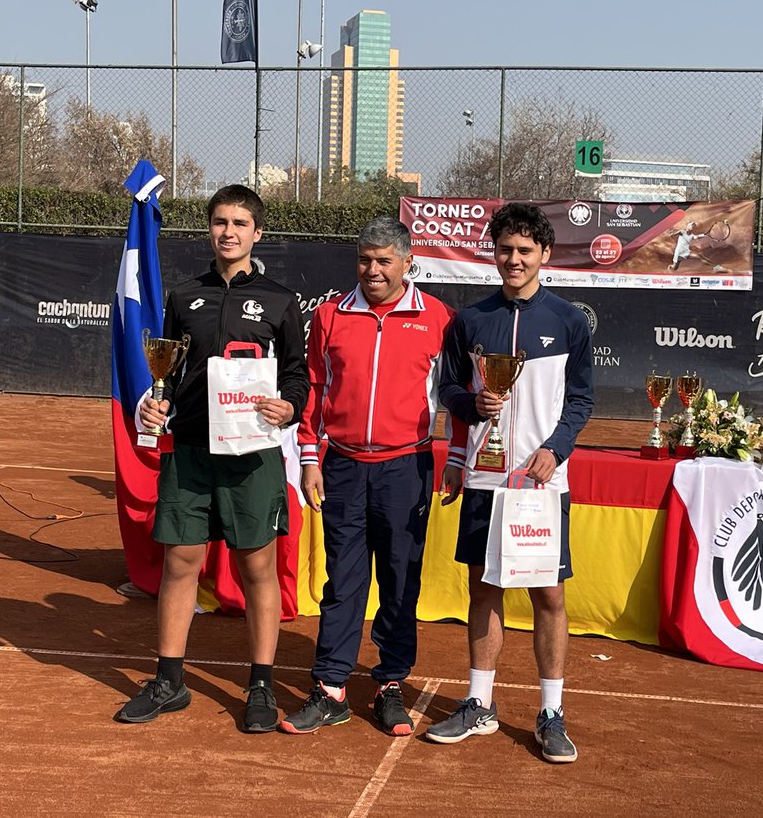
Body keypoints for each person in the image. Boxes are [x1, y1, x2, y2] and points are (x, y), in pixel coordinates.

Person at [116, 184, 309, 733]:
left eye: (239, 223)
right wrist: (156, 405)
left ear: (257, 233)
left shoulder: (280, 300)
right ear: (210, 228)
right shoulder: (184, 297)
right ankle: (169, 681)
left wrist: (288, 405)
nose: (229, 231)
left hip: (252, 455)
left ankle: (262, 685)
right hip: (193, 452)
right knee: (180, 562)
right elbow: (169, 374)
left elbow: (298, 375)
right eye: (220, 221)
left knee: (256, 567)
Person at [430, 202, 594, 764]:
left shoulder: (570, 321)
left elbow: (580, 400)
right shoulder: (470, 322)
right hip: (484, 477)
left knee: (549, 595)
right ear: (494, 254)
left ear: (544, 255)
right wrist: (471, 406)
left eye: (525, 251)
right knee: (484, 588)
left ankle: (551, 713)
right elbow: (447, 390)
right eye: (505, 250)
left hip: (542, 482)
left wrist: (555, 448)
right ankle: (480, 703)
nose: (514, 260)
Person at [279, 217, 455, 737]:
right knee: (343, 581)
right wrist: (309, 458)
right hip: (343, 466)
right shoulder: (331, 315)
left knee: (401, 580)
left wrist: (462, 459)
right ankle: (330, 687)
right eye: (364, 260)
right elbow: (312, 389)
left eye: (384, 261)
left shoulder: (438, 318)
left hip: (408, 467)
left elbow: (457, 396)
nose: (372, 271)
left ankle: (391, 684)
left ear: (407, 263)